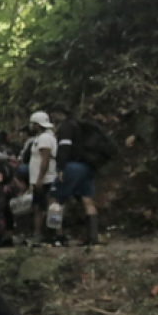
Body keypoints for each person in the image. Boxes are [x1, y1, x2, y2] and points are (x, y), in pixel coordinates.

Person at [47, 103, 100, 246]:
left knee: (54, 199)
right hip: (87, 166)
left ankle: (59, 236)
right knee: (87, 200)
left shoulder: (66, 126)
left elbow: (65, 147)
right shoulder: (79, 125)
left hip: (72, 166)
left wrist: (61, 168)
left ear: (59, 113)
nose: (53, 117)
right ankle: (93, 237)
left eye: (53, 114)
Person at [24, 111, 58, 243]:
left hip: (46, 179)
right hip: (40, 179)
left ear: (37, 124)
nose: (30, 126)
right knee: (39, 206)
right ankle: (41, 234)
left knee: (49, 206)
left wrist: (39, 178)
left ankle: (53, 234)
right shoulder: (41, 137)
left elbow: (45, 159)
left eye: (32, 123)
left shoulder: (45, 138)